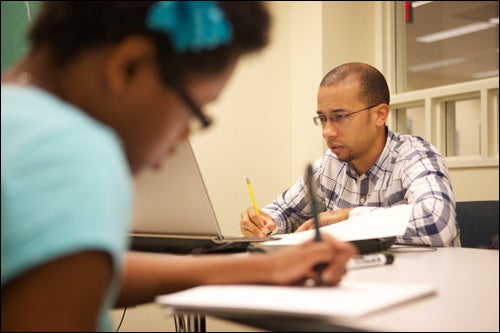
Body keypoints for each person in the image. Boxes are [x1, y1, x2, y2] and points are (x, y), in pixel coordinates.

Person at [1, 2, 357, 331]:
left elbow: (80, 277)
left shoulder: (16, 118)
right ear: (128, 67)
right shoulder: (68, 151)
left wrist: (261, 267)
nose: (184, 134)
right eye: (194, 109)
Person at [240, 62, 461, 248]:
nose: (327, 132)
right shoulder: (330, 164)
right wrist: (264, 222)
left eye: (340, 117)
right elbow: (283, 211)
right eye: (323, 119)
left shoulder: (415, 155)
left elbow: (438, 223)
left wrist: (346, 217)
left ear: (379, 114)